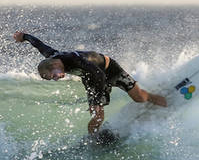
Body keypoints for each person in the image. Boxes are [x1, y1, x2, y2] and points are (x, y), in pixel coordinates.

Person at [13, 31, 166, 134]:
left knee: (138, 97)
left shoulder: (73, 60)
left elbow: (99, 74)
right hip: (90, 78)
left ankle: (160, 99)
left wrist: (97, 100)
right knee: (97, 115)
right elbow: (39, 44)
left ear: (54, 66)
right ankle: (93, 138)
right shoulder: (51, 56)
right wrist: (25, 36)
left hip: (108, 69)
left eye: (51, 76)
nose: (54, 79)